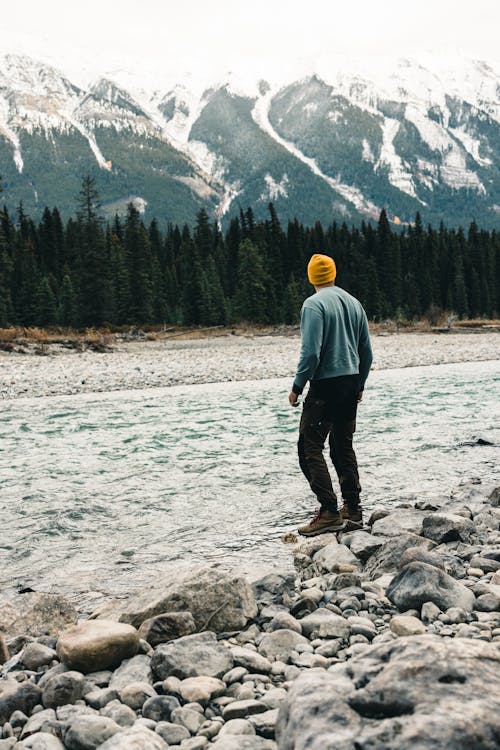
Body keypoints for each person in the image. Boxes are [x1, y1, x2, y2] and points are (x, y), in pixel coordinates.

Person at [289, 253, 373, 536]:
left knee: (308, 447)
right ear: (333, 275)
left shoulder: (313, 305)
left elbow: (310, 352)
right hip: (350, 383)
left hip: (325, 385)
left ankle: (329, 511)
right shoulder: (354, 303)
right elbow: (366, 353)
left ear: (312, 277)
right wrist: (360, 383)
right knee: (342, 446)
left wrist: (297, 386)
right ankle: (354, 508)